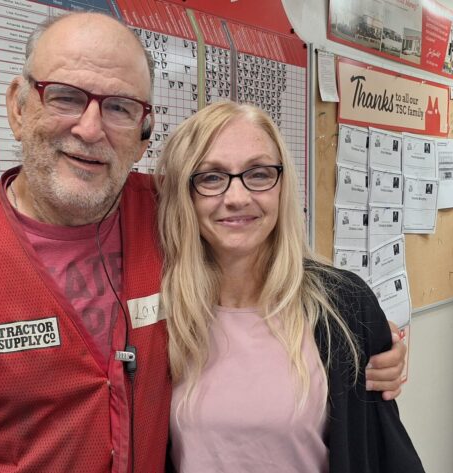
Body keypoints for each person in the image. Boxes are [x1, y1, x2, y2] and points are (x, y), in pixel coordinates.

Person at [0, 12, 407, 472]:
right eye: (64, 96)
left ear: (143, 133)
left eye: (118, 107)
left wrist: (370, 337)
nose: (90, 129)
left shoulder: (173, 210)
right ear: (18, 105)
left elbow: (258, 245)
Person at [157, 102, 423, 472]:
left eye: (260, 174)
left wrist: (381, 341)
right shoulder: (157, 311)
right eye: (211, 178)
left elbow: (383, 452)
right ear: (184, 194)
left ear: (283, 186)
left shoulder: (343, 306)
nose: (237, 197)